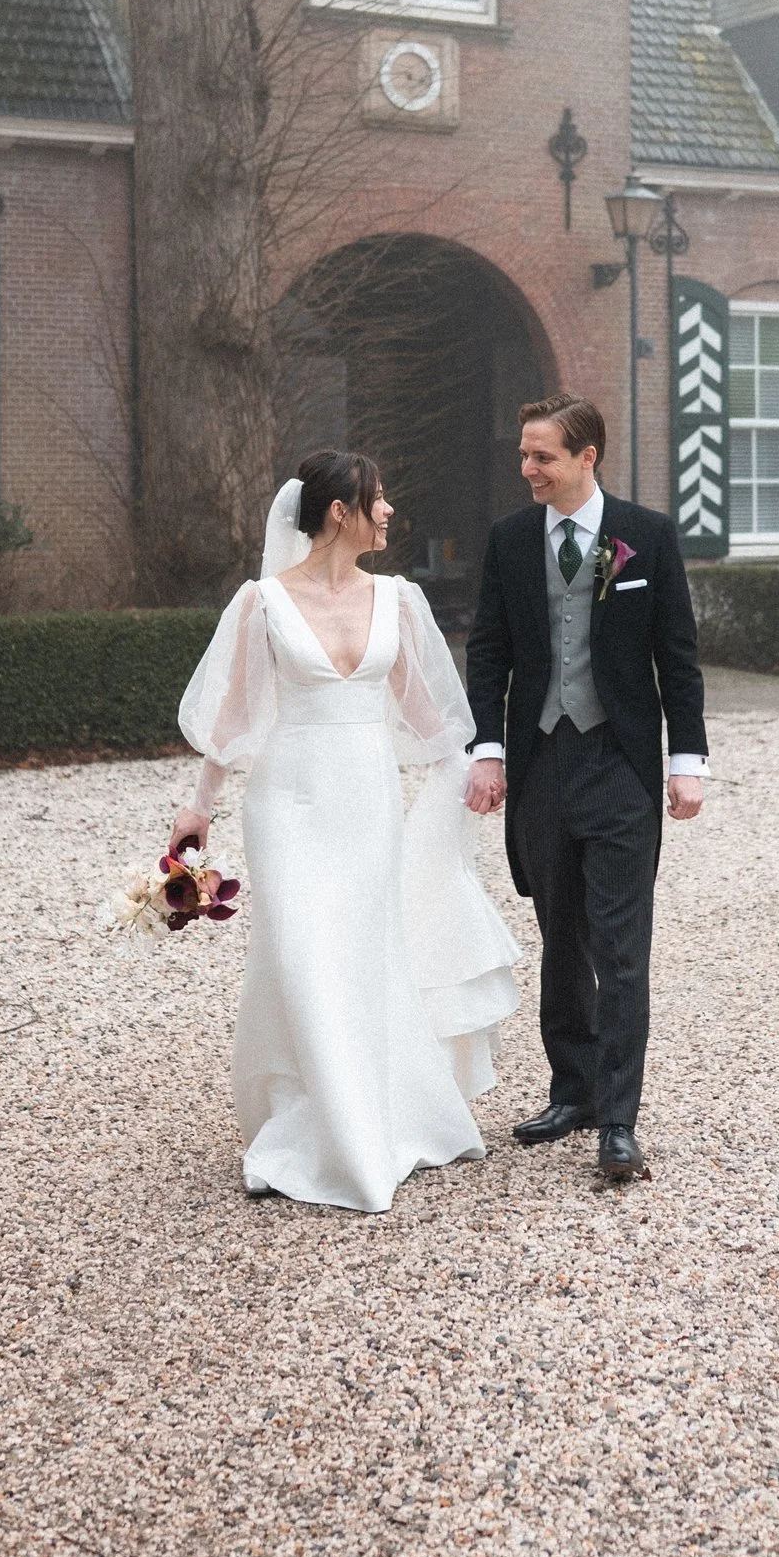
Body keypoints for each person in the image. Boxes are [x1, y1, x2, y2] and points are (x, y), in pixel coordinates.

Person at [170, 450, 520, 1214]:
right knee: (301, 952)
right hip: (287, 803)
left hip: (366, 802)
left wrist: (479, 770)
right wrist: (199, 807)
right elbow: (232, 719)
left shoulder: (398, 600)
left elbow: (432, 719)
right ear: (339, 511)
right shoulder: (261, 601)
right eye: (379, 497)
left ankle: (370, 1119)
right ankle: (326, 1133)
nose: (389, 510)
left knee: (360, 954)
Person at [464, 393, 708, 1184]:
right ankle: (569, 1090)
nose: (526, 469)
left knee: (619, 946)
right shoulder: (507, 542)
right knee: (560, 934)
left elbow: (677, 657)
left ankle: (618, 1120)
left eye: (541, 456)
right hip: (540, 763)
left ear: (585, 458)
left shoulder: (648, 537)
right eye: (524, 457)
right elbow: (489, 652)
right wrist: (490, 750)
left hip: (620, 765)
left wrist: (687, 760)